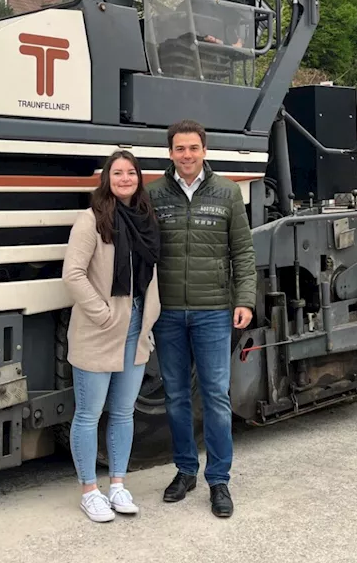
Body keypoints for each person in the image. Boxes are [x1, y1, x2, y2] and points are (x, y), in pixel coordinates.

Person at [146, 119, 256, 518]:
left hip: (213, 312)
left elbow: (242, 251)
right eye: (180, 149)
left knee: (215, 396)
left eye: (193, 148)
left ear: (204, 151)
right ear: (170, 153)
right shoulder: (153, 194)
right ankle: (185, 470)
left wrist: (245, 299)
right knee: (175, 397)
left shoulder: (227, 192)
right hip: (169, 312)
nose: (187, 155)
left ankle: (219, 480)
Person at [61, 150, 163, 523]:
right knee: (89, 414)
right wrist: (101, 312)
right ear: (107, 178)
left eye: (130, 173)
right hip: (98, 329)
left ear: (139, 178)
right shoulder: (91, 220)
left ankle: (117, 484)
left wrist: (150, 313)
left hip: (136, 326)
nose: (124, 179)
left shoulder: (147, 219)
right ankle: (90, 490)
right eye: (117, 173)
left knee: (123, 412)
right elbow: (73, 274)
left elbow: (152, 274)